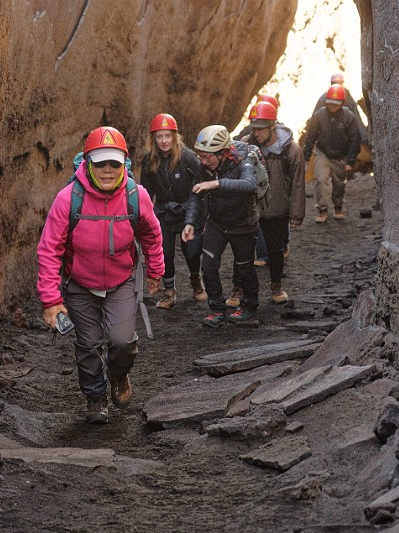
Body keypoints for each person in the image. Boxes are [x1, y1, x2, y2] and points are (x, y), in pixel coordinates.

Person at [37, 126, 164, 424]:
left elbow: (152, 235)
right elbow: (48, 249)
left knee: (122, 342)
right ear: (88, 164)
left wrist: (156, 270)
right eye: (100, 163)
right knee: (88, 344)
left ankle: (119, 375)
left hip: (121, 281)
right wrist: (51, 299)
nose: (107, 170)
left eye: (114, 164)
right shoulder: (68, 198)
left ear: (124, 165)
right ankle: (95, 397)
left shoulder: (136, 195)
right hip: (79, 283)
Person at [181, 125, 268, 327]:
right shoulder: (205, 167)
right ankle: (217, 309)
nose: (202, 161)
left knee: (244, 268)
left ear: (222, 153)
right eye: (200, 156)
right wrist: (190, 223)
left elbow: (249, 184)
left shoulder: (243, 161)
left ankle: (249, 308)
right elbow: (195, 194)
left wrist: (217, 183)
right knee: (208, 266)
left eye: (207, 157)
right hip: (217, 222)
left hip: (243, 224)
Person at [241, 101, 306, 303]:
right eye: (254, 128)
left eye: (261, 129)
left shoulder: (291, 150)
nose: (257, 133)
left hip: (277, 208)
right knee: (242, 250)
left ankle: (276, 287)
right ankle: (240, 289)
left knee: (275, 250)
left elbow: (297, 184)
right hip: (250, 208)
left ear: (272, 126)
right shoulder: (246, 145)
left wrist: (296, 215)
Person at [140, 113, 205, 309]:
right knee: (165, 252)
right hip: (164, 211)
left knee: (192, 251)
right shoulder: (149, 160)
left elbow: (200, 186)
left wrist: (197, 215)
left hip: (187, 209)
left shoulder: (188, 158)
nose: (164, 141)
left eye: (167, 136)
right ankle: (169, 292)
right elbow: (146, 192)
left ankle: (196, 282)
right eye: (159, 136)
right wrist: (146, 216)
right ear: (154, 139)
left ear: (175, 136)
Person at [304, 84, 361, 223]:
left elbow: (355, 139)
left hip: (341, 156)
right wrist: (306, 157)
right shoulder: (319, 116)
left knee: (339, 183)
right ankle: (322, 210)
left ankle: (338, 207)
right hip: (323, 152)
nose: (332, 106)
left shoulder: (349, 117)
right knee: (321, 180)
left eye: (336, 104)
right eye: (330, 103)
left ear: (342, 103)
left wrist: (350, 161)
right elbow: (310, 136)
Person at [309, 71, 368, 144]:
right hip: (328, 132)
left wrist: (364, 137)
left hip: (343, 132)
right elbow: (314, 120)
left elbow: (356, 116)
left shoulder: (347, 96)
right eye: (335, 83)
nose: (338, 85)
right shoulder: (324, 98)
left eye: (340, 83)